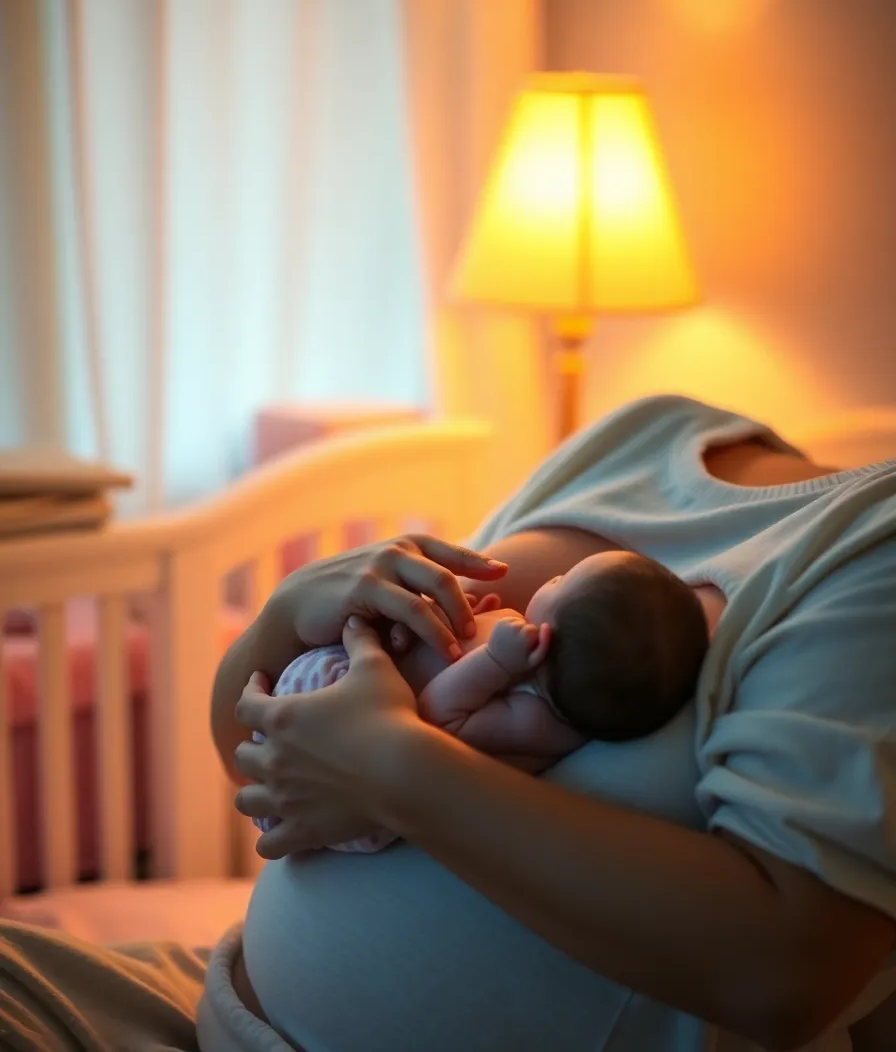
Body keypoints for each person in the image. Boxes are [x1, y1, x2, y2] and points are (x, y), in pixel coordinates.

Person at [0, 393, 893, 1052]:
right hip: (213, 1003)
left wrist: (397, 771)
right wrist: (283, 620)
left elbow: (783, 976)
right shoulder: (637, 436)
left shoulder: (867, 549)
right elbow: (263, 767)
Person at [252, 551, 710, 851]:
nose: (553, 575)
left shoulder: (539, 718)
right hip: (326, 718)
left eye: (563, 578)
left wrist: (493, 659)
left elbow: (438, 719)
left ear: (554, 632)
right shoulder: (520, 644)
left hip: (335, 739)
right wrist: (472, 620)